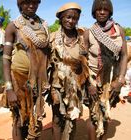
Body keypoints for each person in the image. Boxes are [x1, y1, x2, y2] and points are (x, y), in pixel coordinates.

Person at [3, 0, 50, 139]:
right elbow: (5, 59)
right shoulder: (13, 26)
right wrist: (9, 89)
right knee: (19, 119)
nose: (31, 6)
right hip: (19, 81)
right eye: (27, 2)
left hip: (39, 82)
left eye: (35, 2)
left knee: (35, 117)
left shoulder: (44, 25)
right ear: (20, 5)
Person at [84, 0, 127, 139]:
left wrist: (120, 80)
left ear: (110, 12)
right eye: (98, 9)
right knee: (93, 114)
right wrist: (89, 83)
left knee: (106, 111)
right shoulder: (88, 32)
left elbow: (124, 55)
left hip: (112, 81)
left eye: (105, 9)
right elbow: (83, 60)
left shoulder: (119, 30)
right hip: (93, 80)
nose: (102, 12)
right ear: (93, 12)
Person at [48, 2, 89, 140]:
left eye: (75, 18)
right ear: (61, 18)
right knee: (57, 119)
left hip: (76, 87)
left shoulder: (82, 39)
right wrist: (51, 89)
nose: (71, 21)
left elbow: (85, 64)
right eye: (68, 17)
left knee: (72, 117)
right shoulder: (53, 38)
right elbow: (48, 65)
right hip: (57, 86)